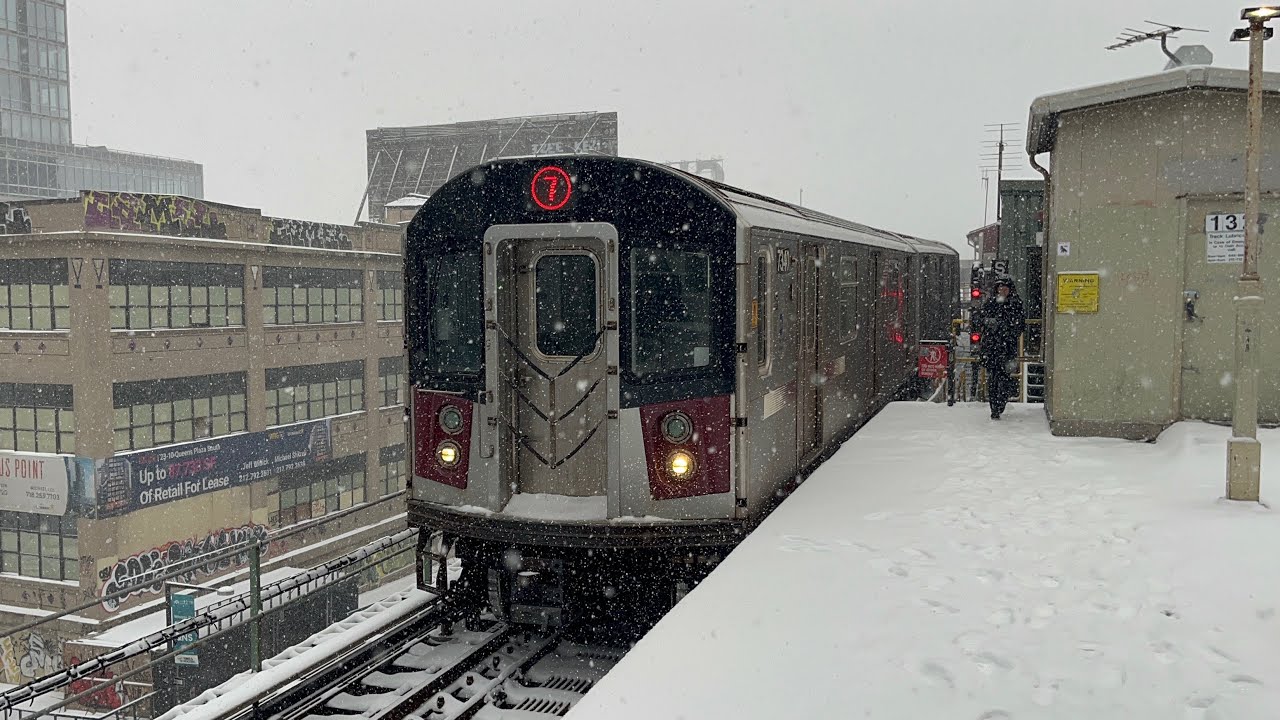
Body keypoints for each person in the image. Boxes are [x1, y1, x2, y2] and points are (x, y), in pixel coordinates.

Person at [978, 274, 1026, 420]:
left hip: (1007, 348)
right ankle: (995, 407)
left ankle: (1000, 403)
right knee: (993, 378)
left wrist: (1006, 329)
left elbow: (1020, 325)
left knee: (1005, 377)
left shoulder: (1016, 304)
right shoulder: (991, 303)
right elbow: (980, 319)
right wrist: (989, 323)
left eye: (1005, 287)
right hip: (992, 348)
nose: (1002, 290)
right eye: (1000, 287)